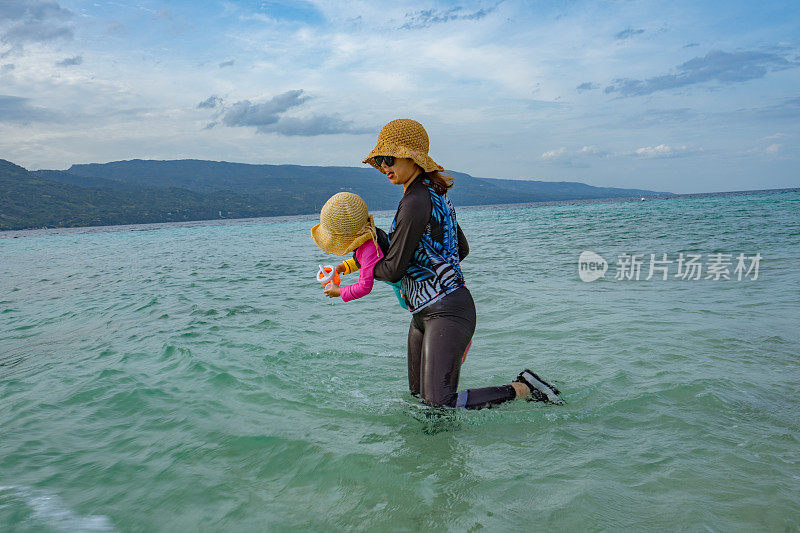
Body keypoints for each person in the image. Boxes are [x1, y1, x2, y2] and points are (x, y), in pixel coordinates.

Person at [362, 118, 562, 409]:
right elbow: (461, 249)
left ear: (411, 155)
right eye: (379, 160)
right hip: (426, 314)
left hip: (446, 313)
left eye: (388, 158)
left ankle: (524, 388)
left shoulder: (415, 201)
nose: (383, 167)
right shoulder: (433, 193)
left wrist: (364, 265)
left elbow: (393, 268)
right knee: (423, 405)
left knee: (440, 404)